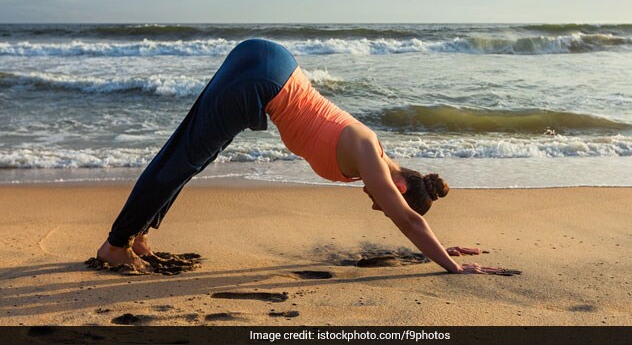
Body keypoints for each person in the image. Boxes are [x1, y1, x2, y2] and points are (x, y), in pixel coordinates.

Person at [97, 39, 509, 275]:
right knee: (182, 161)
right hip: (262, 81)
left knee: (191, 156)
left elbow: (409, 221)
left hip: (269, 60)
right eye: (383, 205)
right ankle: (116, 245)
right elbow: (409, 219)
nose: (375, 205)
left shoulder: (375, 149)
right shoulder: (370, 155)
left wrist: (435, 248)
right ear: (399, 189)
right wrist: (452, 266)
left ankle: (138, 235)